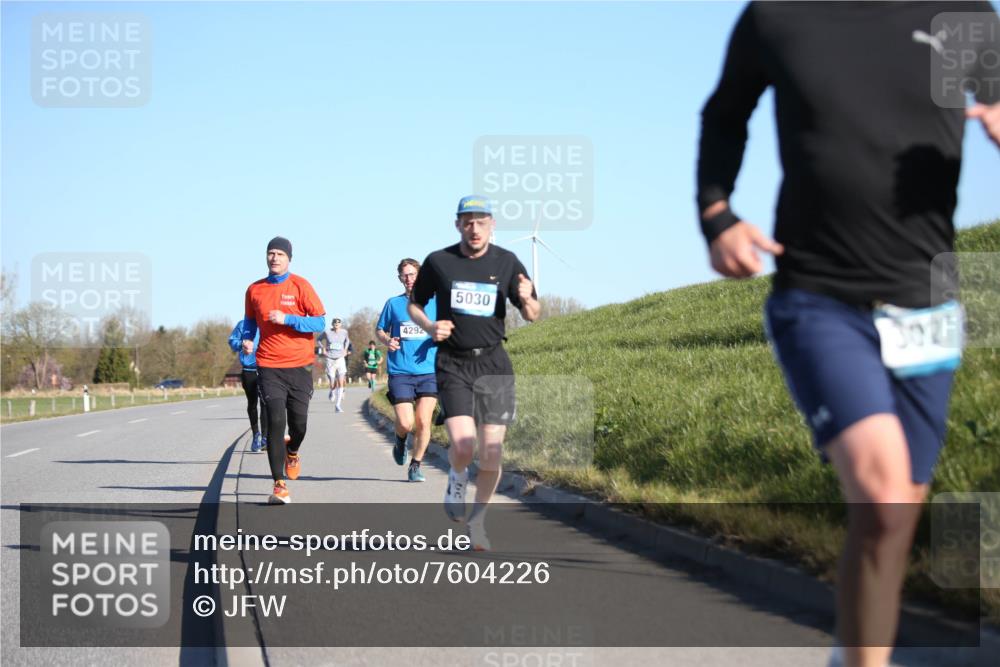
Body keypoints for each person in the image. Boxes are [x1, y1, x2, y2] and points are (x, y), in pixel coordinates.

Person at [696, 4, 1000, 666]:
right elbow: (724, 115)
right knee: (885, 489)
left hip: (928, 307)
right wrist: (717, 213)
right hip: (820, 297)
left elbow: (997, 98)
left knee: (889, 523)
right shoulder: (778, 17)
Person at [409, 195, 539, 550]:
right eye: (468, 221)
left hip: (494, 363)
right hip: (453, 363)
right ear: (457, 225)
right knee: (464, 444)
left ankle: (477, 522)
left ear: (492, 225)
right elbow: (414, 304)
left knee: (493, 452)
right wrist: (429, 326)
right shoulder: (440, 261)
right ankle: (456, 474)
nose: (475, 228)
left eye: (481, 221)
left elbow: (532, 314)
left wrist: (527, 299)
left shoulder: (507, 261)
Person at [243, 236, 326, 504]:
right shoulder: (254, 290)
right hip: (268, 365)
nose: (274, 258)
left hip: (300, 365)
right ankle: (279, 484)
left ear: (289, 258)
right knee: (276, 421)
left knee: (299, 425)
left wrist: (288, 319)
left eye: (279, 253)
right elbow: (249, 323)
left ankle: (293, 450)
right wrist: (247, 339)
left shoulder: (301, 286)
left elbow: (319, 322)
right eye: (270, 253)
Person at [376, 258, 438, 482]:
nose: (409, 279)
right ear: (400, 278)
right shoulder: (393, 304)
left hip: (428, 371)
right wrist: (386, 340)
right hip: (401, 371)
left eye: (413, 274)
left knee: (423, 421)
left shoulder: (435, 301)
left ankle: (415, 465)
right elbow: (380, 330)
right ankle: (400, 440)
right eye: (405, 275)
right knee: (405, 423)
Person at [228, 318, 268, 452]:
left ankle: (265, 437)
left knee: (266, 403)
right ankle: (256, 434)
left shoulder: (268, 323)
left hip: (266, 370)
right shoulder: (242, 324)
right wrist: (241, 344)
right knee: (252, 404)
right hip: (248, 371)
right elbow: (232, 341)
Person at [317, 317, 351, 412]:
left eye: (338, 324)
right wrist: (323, 348)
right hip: (330, 359)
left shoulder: (344, 332)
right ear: (332, 324)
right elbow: (318, 340)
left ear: (340, 324)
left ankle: (338, 405)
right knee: (332, 383)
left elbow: (347, 341)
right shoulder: (327, 332)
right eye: (335, 324)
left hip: (340, 358)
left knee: (341, 381)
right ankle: (332, 391)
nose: (336, 325)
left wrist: (345, 349)